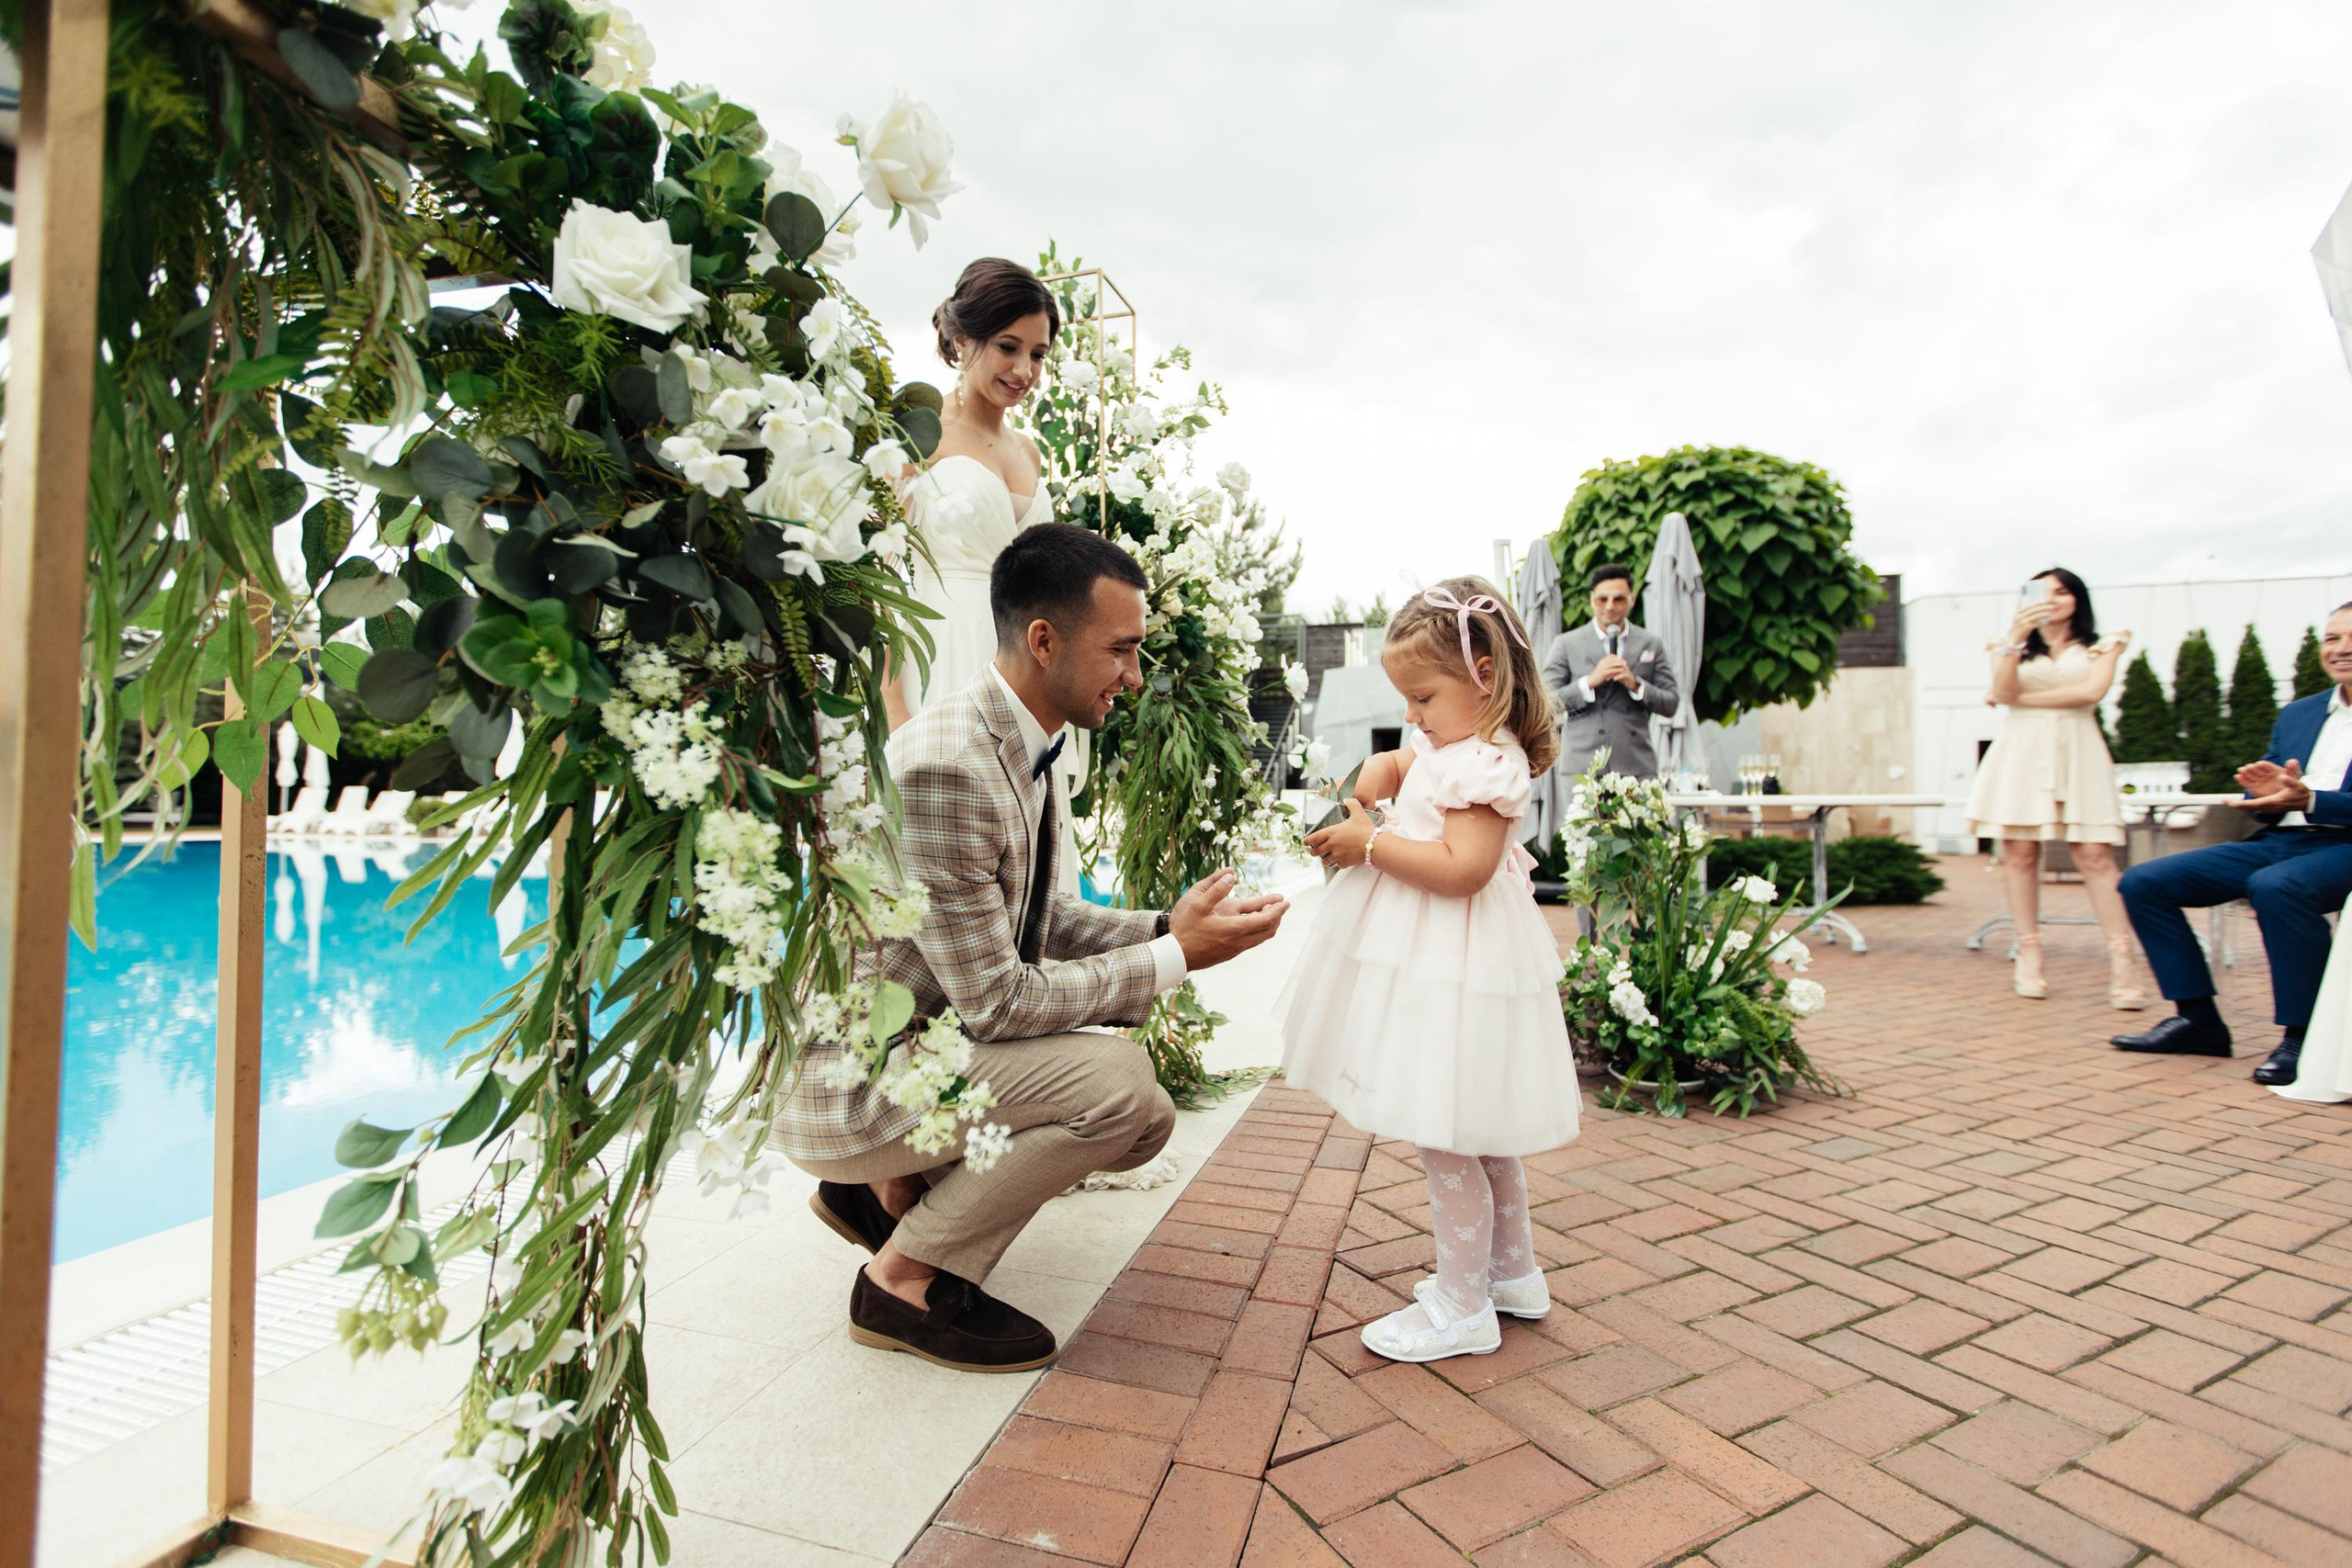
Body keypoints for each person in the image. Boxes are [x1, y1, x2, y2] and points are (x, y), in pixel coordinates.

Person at [775, 524, 1291, 1371]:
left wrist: (1169, 926)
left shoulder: (1025, 737)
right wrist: (1176, 960)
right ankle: (901, 1283)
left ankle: (887, 1192)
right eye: (1121, 649)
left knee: (1146, 1117)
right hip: (855, 1081)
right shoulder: (946, 765)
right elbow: (998, 1001)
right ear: (1044, 640)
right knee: (1119, 1090)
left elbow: (1041, 915)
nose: (1135, 674)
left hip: (923, 1047)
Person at [1286, 579, 1583, 1363]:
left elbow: (1464, 870)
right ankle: (1512, 1274)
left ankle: (1461, 1305)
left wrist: (1371, 845)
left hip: (1454, 962)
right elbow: (1400, 761)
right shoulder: (1446, 745)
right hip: (1441, 955)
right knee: (1479, 1129)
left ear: (1484, 672)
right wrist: (1381, 773)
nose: (1411, 714)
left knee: (1445, 1129)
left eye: (1421, 696)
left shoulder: (1485, 764)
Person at [888, 257, 1091, 892]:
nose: (1024, 370)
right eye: (1009, 347)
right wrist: (902, 731)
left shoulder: (1028, 451)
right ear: (961, 338)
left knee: (1025, 893)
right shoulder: (915, 435)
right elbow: (882, 589)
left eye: (1038, 353)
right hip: (941, 662)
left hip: (1024, 677)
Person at [2114, 602, 2352, 1084]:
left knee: (2276, 886)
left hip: (2344, 845)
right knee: (2144, 881)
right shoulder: (2300, 714)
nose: (2341, 649)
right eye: (2332, 638)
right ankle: (2198, 1021)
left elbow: (2309, 798)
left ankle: (2304, 1038)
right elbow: (2271, 784)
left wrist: (2314, 800)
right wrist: (2264, 796)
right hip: (2283, 840)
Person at [1962, 568, 2143, 1006]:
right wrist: (2015, 639)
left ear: (2077, 598)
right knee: (2020, 854)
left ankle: (2123, 957)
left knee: (2096, 854)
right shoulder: (2009, 645)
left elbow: (2092, 692)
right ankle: (2029, 950)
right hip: (2021, 750)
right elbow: (2003, 688)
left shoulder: (2103, 643)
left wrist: (2017, 700)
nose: (2052, 599)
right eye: (2042, 592)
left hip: (2079, 747)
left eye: (2061, 591)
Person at [1539, 562, 1679, 781]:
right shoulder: (1567, 643)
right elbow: (1545, 702)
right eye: (1602, 599)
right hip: (1582, 767)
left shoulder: (1651, 643)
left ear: (1632, 599)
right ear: (1591, 599)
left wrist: (1635, 684)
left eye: (1619, 599)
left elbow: (1671, 703)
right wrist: (1588, 683)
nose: (1610, 606)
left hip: (1636, 765)